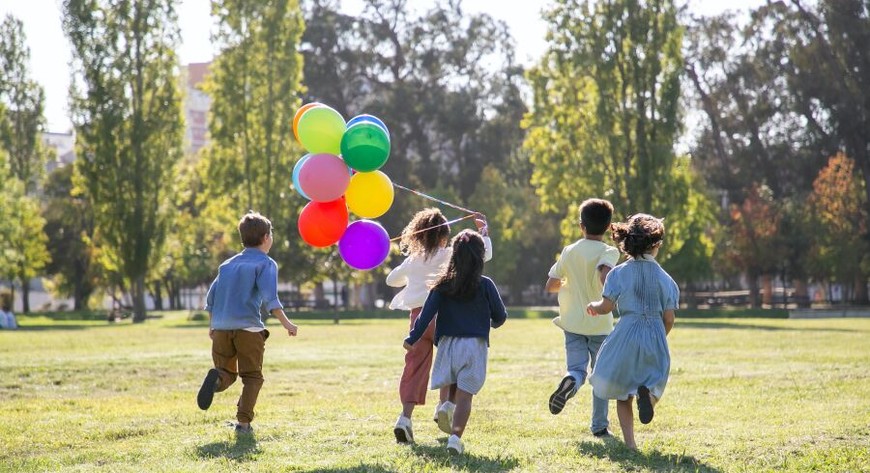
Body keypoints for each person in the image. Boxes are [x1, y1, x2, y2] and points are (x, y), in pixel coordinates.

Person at [387, 208, 491, 444]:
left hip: (417, 321)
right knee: (452, 364)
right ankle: (445, 406)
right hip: (444, 318)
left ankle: (405, 418)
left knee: (414, 368)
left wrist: (411, 269)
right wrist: (483, 232)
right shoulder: (449, 255)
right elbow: (483, 255)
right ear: (444, 236)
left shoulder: (413, 260)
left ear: (418, 236)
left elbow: (391, 279)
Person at [403, 229, 507, 455]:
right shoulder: (486, 284)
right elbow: (501, 316)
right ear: (480, 257)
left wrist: (412, 338)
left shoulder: (442, 285)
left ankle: (446, 405)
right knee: (466, 395)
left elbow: (426, 315)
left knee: (452, 381)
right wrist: (491, 323)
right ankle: (455, 438)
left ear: (454, 255)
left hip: (448, 344)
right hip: (474, 346)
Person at [197, 211, 299, 435]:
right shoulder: (265, 263)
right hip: (248, 329)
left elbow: (211, 299)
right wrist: (287, 324)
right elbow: (271, 299)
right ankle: (243, 424)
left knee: (226, 373)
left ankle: (216, 381)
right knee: (252, 377)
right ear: (265, 238)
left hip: (221, 329)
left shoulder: (227, 265)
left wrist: (212, 326)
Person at [586, 213, 678, 450]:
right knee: (655, 382)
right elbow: (669, 318)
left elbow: (606, 307)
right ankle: (648, 398)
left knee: (622, 393)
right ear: (656, 244)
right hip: (655, 334)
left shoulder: (618, 273)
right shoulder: (666, 279)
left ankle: (631, 445)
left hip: (625, 333)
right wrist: (659, 336)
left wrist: (593, 306)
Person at [544, 198, 619, 437]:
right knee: (601, 376)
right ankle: (599, 426)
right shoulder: (609, 251)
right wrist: (607, 296)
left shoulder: (569, 250)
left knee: (576, 369)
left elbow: (551, 284)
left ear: (581, 226)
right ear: (608, 227)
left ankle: (570, 381)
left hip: (572, 322)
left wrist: (569, 284)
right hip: (599, 322)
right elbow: (604, 275)